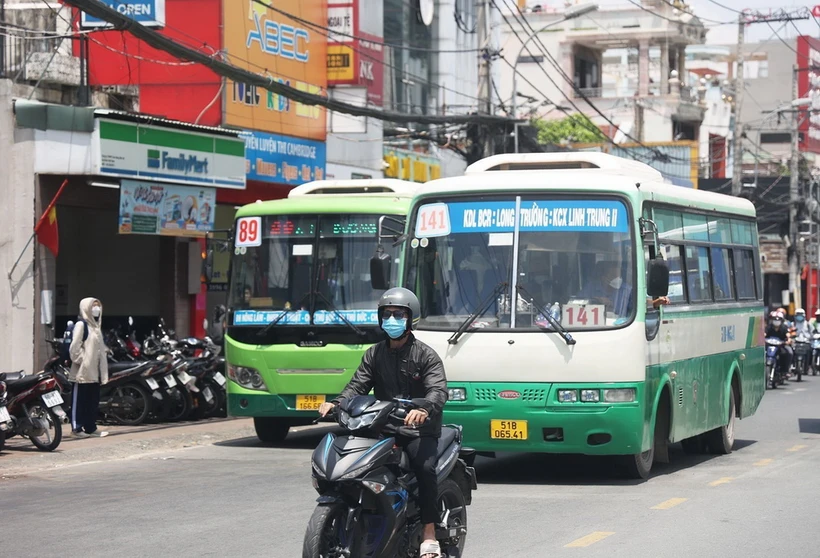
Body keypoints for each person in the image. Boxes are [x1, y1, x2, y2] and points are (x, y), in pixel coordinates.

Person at [318, 287, 448, 558]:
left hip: (417, 430)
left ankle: (429, 533)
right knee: (352, 463)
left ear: (410, 319)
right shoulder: (374, 354)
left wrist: (424, 408)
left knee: (424, 469)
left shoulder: (426, 356)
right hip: (381, 425)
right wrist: (335, 403)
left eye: (398, 314)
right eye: (386, 314)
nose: (391, 319)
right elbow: (356, 386)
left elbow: (437, 391)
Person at [68, 298, 109, 439]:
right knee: (79, 402)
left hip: (94, 373)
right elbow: (74, 348)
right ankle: (76, 429)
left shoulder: (96, 327)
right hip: (82, 373)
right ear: (86, 308)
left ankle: (90, 428)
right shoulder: (81, 325)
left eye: (98, 306)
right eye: (93, 306)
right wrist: (83, 361)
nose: (96, 309)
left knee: (92, 402)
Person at [766, 309, 793, 377]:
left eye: (778, 320)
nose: (776, 321)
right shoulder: (769, 327)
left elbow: (788, 335)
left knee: (789, 352)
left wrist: (788, 340)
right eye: (775, 319)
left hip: (781, 346)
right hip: (770, 346)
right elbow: (764, 334)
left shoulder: (783, 327)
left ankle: (785, 370)